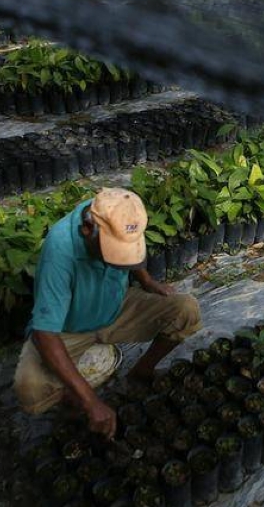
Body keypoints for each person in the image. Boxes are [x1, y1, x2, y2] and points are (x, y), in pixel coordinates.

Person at [13, 187, 201, 439]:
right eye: (111, 254)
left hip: (114, 307)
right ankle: (71, 401)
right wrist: (90, 400)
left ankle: (142, 371)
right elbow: (45, 333)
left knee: (185, 309)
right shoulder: (59, 251)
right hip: (71, 326)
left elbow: (132, 252)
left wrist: (146, 281)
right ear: (87, 230)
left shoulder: (122, 214)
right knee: (30, 387)